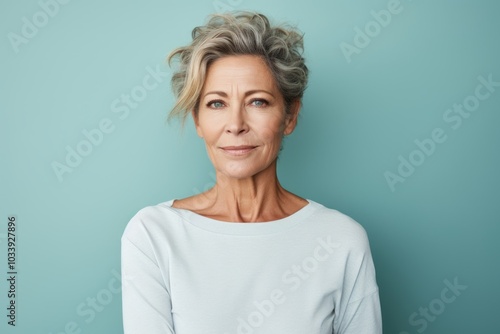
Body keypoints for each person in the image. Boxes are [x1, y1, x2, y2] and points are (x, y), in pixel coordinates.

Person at [121, 11, 382, 334]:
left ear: (290, 116)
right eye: (217, 103)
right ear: (198, 120)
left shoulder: (342, 240)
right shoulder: (154, 235)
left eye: (257, 102)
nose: (236, 125)